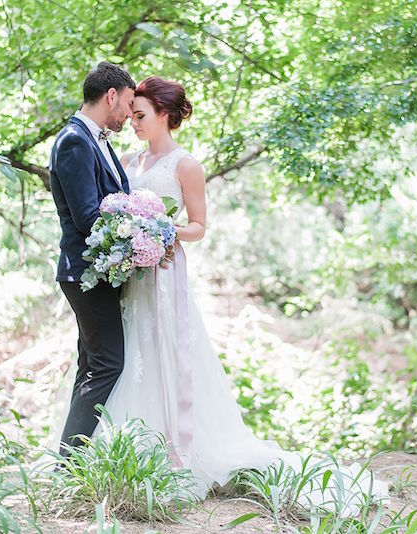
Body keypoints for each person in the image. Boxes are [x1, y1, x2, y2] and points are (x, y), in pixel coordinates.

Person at [99, 75, 388, 508]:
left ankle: (177, 452)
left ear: (164, 115)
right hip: (131, 275)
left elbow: (198, 227)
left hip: (164, 272)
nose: (134, 122)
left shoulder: (185, 165)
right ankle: (130, 452)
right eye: (132, 115)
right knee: (132, 354)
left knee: (168, 354)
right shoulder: (129, 159)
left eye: (141, 116)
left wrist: (162, 232)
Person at [48, 62, 136, 457]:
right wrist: (138, 232)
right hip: (85, 270)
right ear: (111, 95)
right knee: (107, 364)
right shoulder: (74, 140)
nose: (128, 114)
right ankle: (69, 464)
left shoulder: (96, 139)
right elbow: (88, 217)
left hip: (100, 271)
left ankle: (69, 464)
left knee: (91, 366)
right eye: (128, 104)